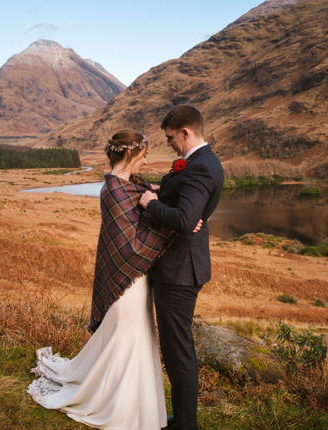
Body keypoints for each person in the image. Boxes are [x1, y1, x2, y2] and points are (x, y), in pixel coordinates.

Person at [27, 129, 201, 430]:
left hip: (136, 282)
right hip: (128, 285)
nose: (145, 163)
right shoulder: (115, 191)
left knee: (138, 341)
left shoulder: (131, 186)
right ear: (131, 154)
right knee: (128, 342)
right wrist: (176, 227)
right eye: (143, 156)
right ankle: (118, 405)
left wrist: (168, 207)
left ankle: (139, 407)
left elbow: (150, 202)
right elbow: (130, 247)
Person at [139, 105, 224, 430]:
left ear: (185, 133)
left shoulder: (200, 168)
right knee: (178, 349)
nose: (170, 144)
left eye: (171, 138)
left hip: (179, 271)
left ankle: (185, 425)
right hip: (182, 266)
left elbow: (186, 221)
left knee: (178, 353)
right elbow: (188, 205)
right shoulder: (202, 162)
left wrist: (152, 204)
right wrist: (167, 192)